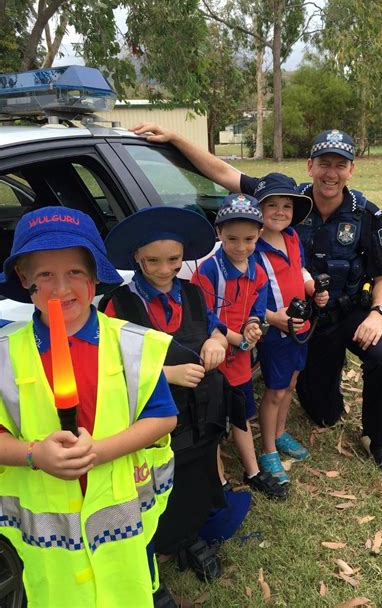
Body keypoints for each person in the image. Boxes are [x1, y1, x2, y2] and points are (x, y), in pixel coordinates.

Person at [130, 123, 382, 475]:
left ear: (351, 169)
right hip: (300, 324)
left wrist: (378, 313)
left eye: (340, 164)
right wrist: (176, 137)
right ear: (310, 166)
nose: (331, 173)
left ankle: (377, 438)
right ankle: (315, 389)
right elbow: (224, 173)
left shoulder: (364, 213)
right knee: (321, 411)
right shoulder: (285, 198)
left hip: (348, 313)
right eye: (324, 163)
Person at [0, 206, 178, 608]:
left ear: (95, 276)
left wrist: (101, 450)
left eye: (75, 273)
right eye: (44, 274)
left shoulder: (133, 346)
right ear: (24, 279)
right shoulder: (5, 356)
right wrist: (33, 454)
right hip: (49, 548)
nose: (60, 288)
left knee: (129, 592)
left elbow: (163, 417)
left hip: (123, 531)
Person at [102, 206, 250, 596]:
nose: (164, 269)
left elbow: (215, 329)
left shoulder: (192, 292)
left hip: (202, 413)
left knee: (196, 477)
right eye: (153, 260)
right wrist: (165, 375)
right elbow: (111, 366)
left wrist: (216, 343)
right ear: (136, 256)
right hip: (156, 424)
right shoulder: (120, 304)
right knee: (156, 487)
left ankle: (189, 536)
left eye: (173, 259)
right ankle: (158, 548)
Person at [191, 194, 288, 499]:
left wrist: (253, 326)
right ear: (218, 233)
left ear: (260, 234)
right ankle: (216, 480)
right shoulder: (208, 271)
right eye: (232, 238)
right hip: (214, 357)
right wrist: (236, 337)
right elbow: (200, 315)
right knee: (212, 420)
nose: (242, 246)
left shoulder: (256, 271)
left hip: (241, 359)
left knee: (242, 413)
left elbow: (257, 310)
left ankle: (254, 471)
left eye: (249, 239)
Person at [244, 173, 329, 484]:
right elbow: (244, 295)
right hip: (275, 331)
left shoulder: (292, 237)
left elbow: (300, 268)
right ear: (258, 209)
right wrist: (270, 318)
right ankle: (267, 449)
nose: (280, 212)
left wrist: (312, 287)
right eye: (272, 205)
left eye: (286, 205)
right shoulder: (252, 246)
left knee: (291, 382)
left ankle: (279, 433)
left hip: (300, 325)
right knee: (275, 390)